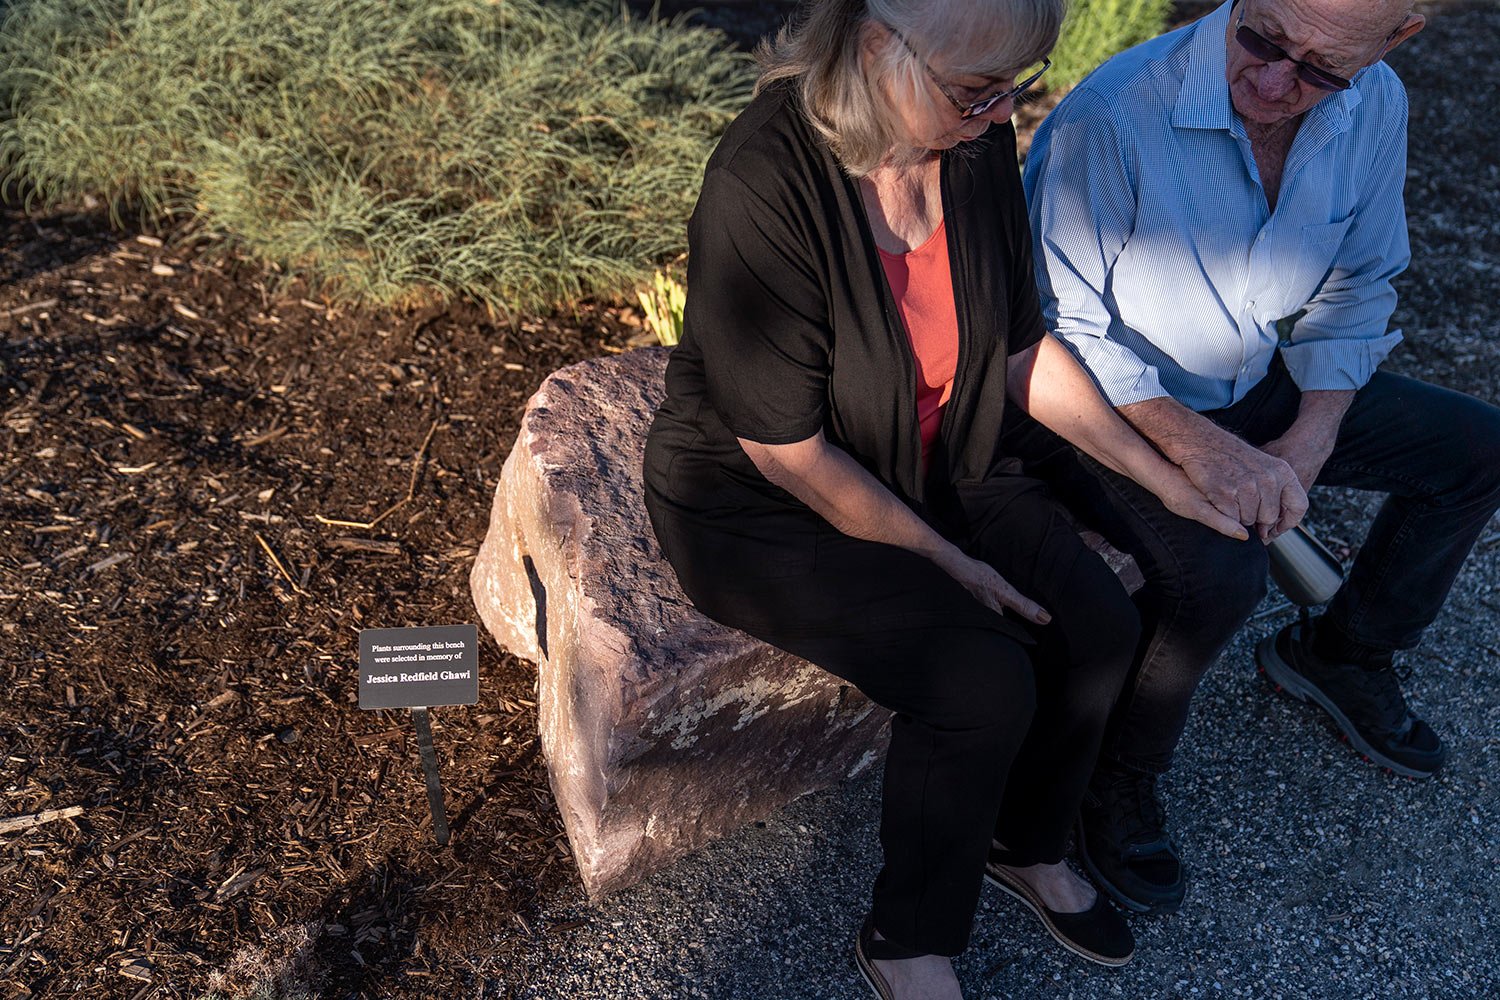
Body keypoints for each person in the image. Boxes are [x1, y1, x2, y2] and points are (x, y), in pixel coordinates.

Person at [642, 0, 1250, 996]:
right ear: (881, 44)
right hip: (764, 505)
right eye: (979, 89)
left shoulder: (971, 139)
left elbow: (1017, 353)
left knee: (1098, 622)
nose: (1000, 108)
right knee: (979, 680)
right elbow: (787, 451)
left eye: (1015, 84)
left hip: (938, 455)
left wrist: (1164, 475)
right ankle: (910, 935)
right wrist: (948, 561)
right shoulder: (764, 180)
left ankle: (1025, 839)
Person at [1021, 0, 1500, 919]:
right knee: (1219, 573)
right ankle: (1116, 776)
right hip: (1109, 407)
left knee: (1476, 451)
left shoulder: (1379, 103)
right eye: (1264, 40)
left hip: (1254, 379)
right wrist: (1206, 451)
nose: (1278, 84)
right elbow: (1057, 332)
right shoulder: (1114, 113)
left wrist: (1309, 438)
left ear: (1396, 40)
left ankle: (1341, 651)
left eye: (1322, 71)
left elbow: (1361, 282)